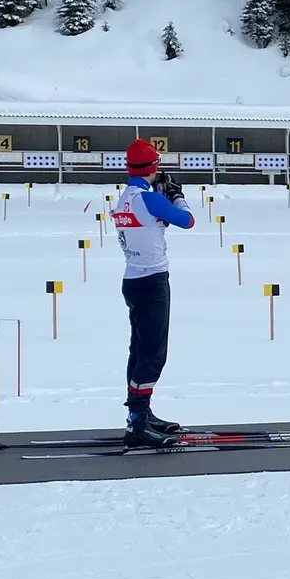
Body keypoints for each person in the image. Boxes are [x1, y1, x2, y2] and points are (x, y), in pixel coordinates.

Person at [110, 139, 195, 446]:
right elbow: (187, 220)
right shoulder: (148, 198)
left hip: (133, 278)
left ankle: (141, 414)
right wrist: (177, 196)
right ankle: (137, 423)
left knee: (140, 350)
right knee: (153, 354)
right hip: (153, 280)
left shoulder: (126, 197)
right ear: (153, 167)